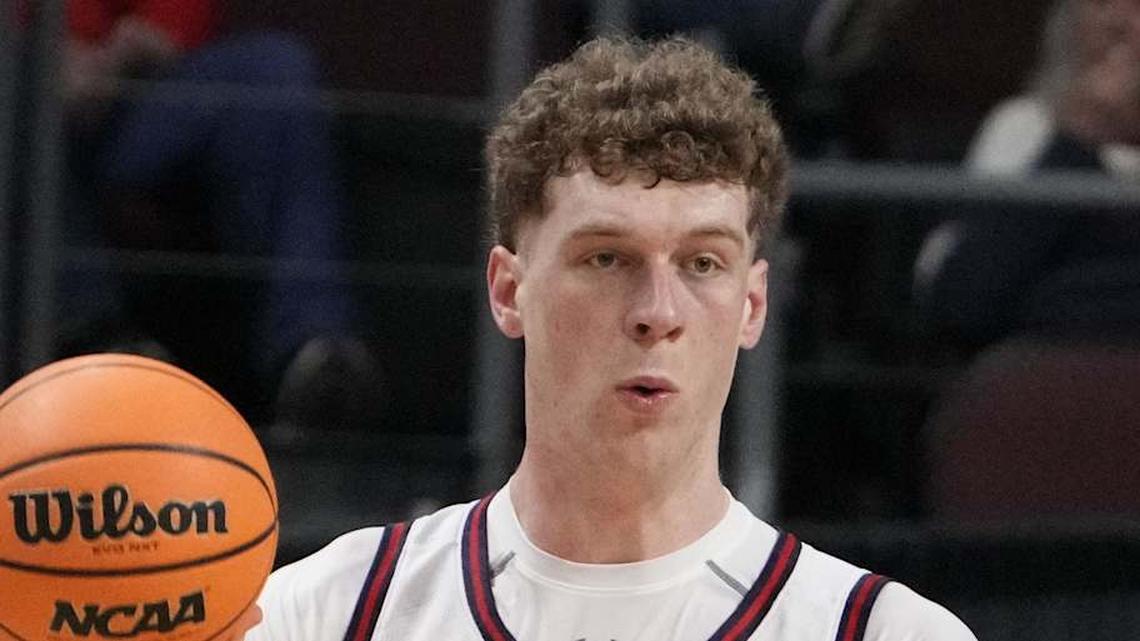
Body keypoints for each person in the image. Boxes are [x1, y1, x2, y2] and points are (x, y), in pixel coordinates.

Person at [243, 36, 977, 641]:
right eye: (606, 257)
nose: (657, 310)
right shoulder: (328, 613)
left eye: (701, 262)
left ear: (752, 303)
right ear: (509, 290)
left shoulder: (886, 632)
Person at [56, 0, 373, 424]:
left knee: (276, 67)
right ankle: (95, 343)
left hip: (132, 94)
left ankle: (314, 355)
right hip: (31, 101)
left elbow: (169, 28)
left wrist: (115, 58)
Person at [917, 0, 1140, 350]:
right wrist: (1078, 137)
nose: (1116, 22)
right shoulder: (1025, 127)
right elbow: (964, 300)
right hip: (1054, 374)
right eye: (1099, 4)